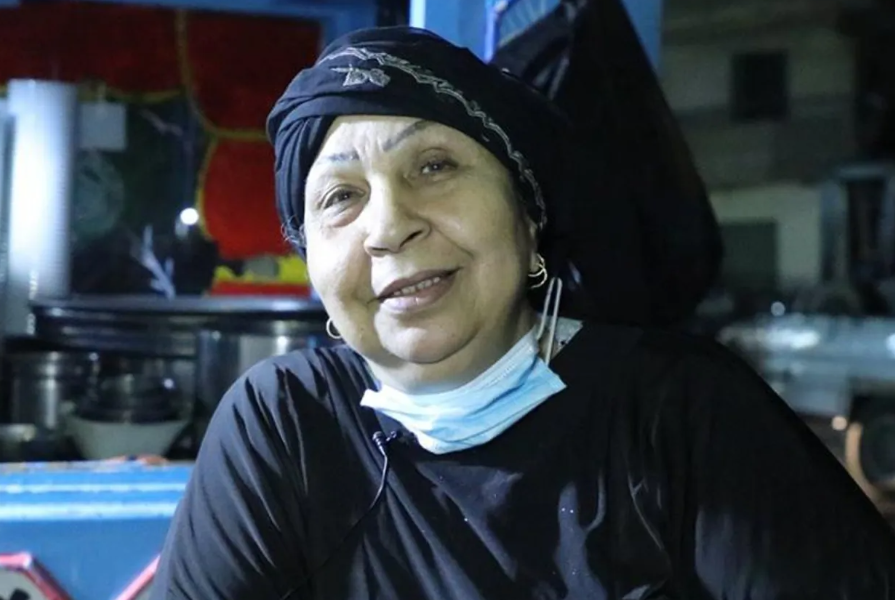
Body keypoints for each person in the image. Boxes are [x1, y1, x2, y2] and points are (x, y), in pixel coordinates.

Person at [152, 26, 895, 600]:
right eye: (340, 197)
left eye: (434, 166)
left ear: (527, 215)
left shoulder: (677, 411)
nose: (388, 227)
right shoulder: (285, 423)